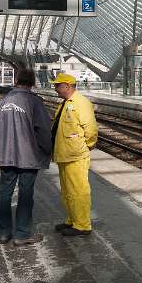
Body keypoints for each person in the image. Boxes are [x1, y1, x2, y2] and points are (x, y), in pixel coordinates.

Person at [0, 68, 52, 246]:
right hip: (28, 156)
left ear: (15, 81)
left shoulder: (2, 102)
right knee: (25, 193)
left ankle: (3, 232)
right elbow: (43, 131)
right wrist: (48, 149)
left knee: (4, 192)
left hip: (5, 154)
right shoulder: (35, 102)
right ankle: (22, 234)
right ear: (32, 82)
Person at [50, 73, 97, 236]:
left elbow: (90, 130)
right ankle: (72, 220)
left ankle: (83, 225)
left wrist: (87, 146)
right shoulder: (65, 103)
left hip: (76, 155)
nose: (55, 88)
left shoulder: (81, 103)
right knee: (67, 191)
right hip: (64, 154)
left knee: (78, 190)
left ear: (67, 86)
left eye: (57, 85)